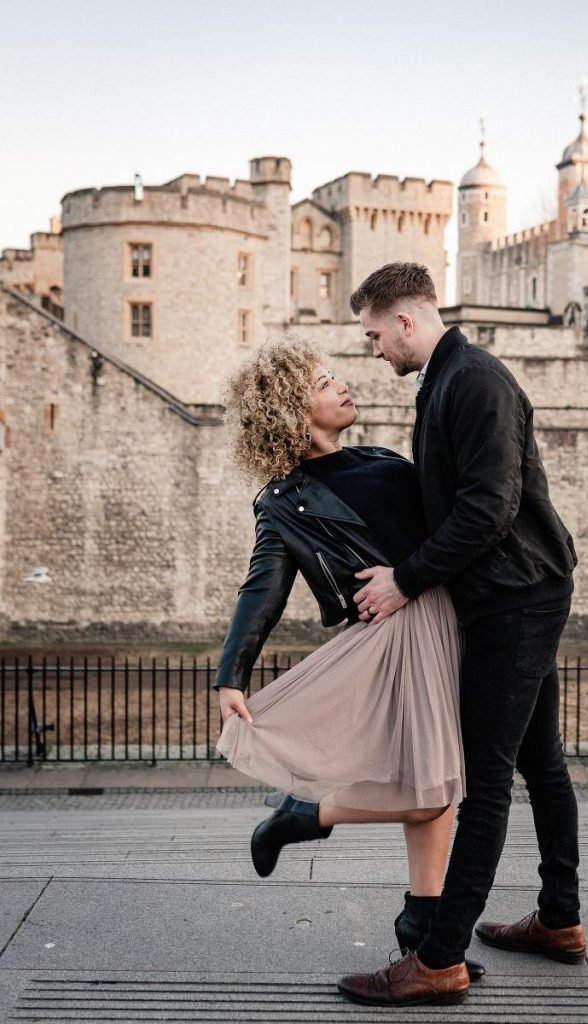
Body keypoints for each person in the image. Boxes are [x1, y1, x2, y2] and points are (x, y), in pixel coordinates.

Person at [336, 263, 585, 1008]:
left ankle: (439, 958)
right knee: (541, 763)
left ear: (405, 320)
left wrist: (404, 579)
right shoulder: (446, 381)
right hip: (516, 593)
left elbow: (487, 510)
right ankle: (560, 921)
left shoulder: (473, 381)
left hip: (515, 598)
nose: (373, 349)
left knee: (485, 782)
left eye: (374, 334)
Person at [212, 338, 484, 982]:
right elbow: (263, 588)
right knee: (434, 790)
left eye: (336, 375)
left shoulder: (377, 456)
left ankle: (423, 931)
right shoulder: (284, 501)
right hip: (398, 634)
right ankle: (303, 815)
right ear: (287, 408)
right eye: (323, 381)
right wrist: (231, 673)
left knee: (435, 790)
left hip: (441, 617)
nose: (341, 386)